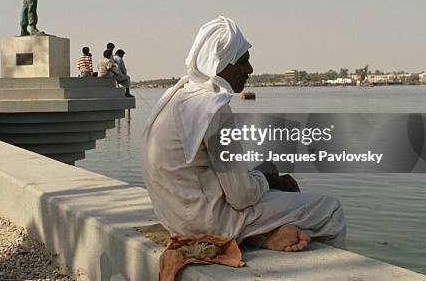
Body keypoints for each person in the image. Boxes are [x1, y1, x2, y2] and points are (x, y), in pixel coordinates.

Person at [142, 16, 346, 252]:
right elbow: (241, 197)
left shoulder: (176, 97)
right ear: (222, 63)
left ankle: (266, 235)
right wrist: (268, 179)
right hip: (207, 222)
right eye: (243, 61)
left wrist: (262, 177)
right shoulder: (213, 106)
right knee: (330, 208)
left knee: (267, 178)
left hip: (177, 219)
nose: (250, 69)